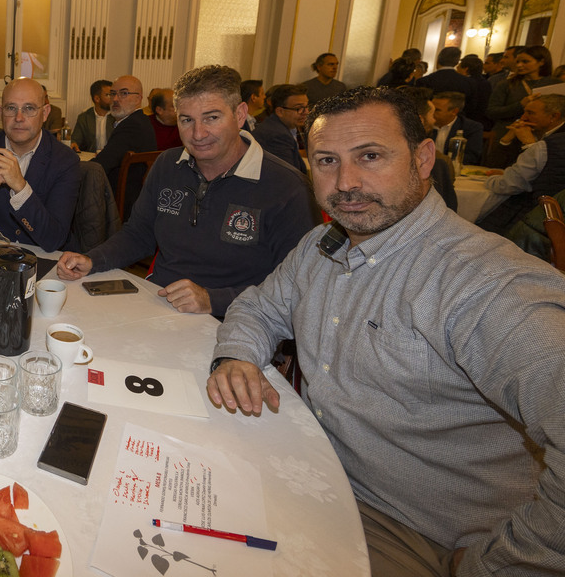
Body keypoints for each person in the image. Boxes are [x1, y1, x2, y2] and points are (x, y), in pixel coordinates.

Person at [206, 86, 565, 577]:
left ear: (422, 158)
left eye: (370, 156)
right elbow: (258, 306)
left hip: (416, 529)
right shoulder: (321, 244)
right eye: (327, 160)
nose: (346, 182)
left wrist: (498, 564)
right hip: (313, 471)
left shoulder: (485, 285)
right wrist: (238, 356)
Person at [57, 66, 318, 319]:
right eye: (186, 120)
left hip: (237, 321)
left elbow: (296, 287)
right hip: (157, 304)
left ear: (240, 115)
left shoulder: (288, 188)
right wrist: (93, 259)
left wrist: (212, 300)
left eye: (212, 118)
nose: (198, 133)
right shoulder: (168, 165)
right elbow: (139, 233)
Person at [0, 78, 81, 251]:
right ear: (0, 112)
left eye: (29, 108)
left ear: (45, 113)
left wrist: (21, 188)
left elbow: (54, 239)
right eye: (11, 108)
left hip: (43, 261)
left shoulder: (65, 160)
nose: (19, 118)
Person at [477, 94, 565, 234]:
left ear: (553, 117)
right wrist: (508, 138)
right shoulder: (529, 132)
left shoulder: (549, 144)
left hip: (539, 219)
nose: (523, 118)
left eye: (530, 113)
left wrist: (530, 145)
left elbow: (508, 185)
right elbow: (492, 164)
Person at [485, 44, 560, 167]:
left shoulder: (554, 84)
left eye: (525, 61)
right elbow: (491, 112)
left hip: (542, 136)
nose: (519, 65)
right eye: (518, 61)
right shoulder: (507, 84)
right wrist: (520, 105)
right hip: (508, 135)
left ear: (541, 62)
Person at [92, 74, 156, 197]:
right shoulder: (140, 120)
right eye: (112, 93)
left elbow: (100, 165)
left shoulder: (132, 126)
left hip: (120, 201)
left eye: (124, 93)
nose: (115, 99)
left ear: (138, 99)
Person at [251, 84, 308, 175]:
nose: (306, 112)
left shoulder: (280, 127)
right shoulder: (277, 136)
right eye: (299, 108)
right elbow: (288, 177)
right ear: (280, 111)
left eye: (306, 107)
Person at [416, 48, 475, 116]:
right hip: (458, 122)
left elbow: (419, 107)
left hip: (430, 119)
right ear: (456, 63)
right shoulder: (469, 82)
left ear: (438, 60)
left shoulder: (424, 81)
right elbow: (471, 108)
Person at [429, 91, 482, 165]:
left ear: (454, 111)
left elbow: (471, 157)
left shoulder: (470, 127)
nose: (431, 113)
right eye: (431, 109)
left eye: (437, 110)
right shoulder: (424, 124)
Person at [71, 79, 113, 153]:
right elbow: (75, 140)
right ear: (97, 98)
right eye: (108, 95)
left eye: (113, 94)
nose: (113, 99)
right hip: (91, 159)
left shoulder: (117, 117)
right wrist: (73, 144)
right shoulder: (84, 117)